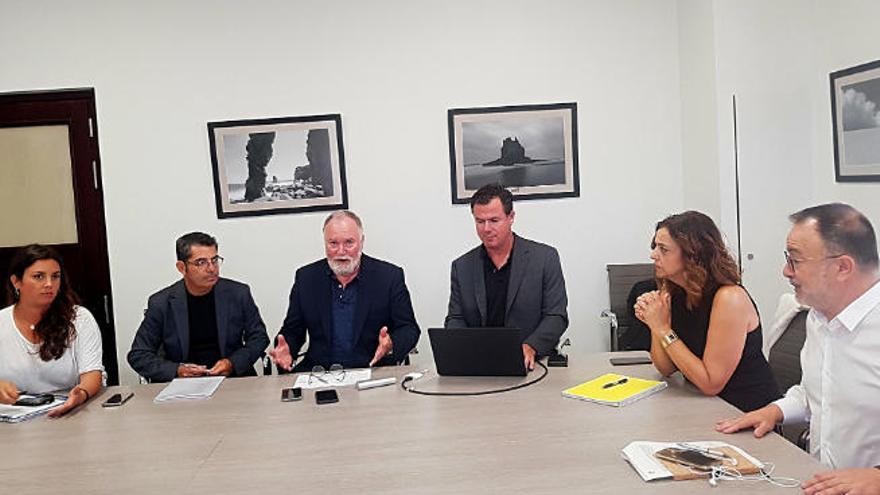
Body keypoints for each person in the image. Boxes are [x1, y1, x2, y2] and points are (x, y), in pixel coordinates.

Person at [715, 203, 880, 493]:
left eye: (796, 261)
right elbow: (816, 391)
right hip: (817, 480)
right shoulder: (818, 317)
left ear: (843, 267)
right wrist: (774, 411)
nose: (786, 271)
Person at [633, 211, 780, 412]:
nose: (653, 255)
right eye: (655, 247)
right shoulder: (676, 291)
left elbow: (711, 383)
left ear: (692, 254)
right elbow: (666, 368)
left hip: (746, 411)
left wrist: (662, 328)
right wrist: (655, 323)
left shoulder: (729, 298)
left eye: (664, 249)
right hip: (705, 406)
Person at [269, 211, 420, 372]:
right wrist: (286, 349)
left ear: (361, 242)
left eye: (349, 243)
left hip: (371, 371)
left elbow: (409, 329)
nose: (341, 251)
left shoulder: (388, 277)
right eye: (333, 243)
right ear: (325, 243)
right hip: (319, 373)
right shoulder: (306, 278)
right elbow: (292, 331)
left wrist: (391, 344)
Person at [444, 183, 568, 370]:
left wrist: (531, 346)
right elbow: (455, 318)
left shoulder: (544, 258)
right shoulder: (461, 267)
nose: (486, 229)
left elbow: (556, 316)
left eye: (494, 220)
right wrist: (464, 348)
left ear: (511, 217)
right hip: (478, 365)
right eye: (479, 221)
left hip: (532, 364)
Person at [128, 232, 269, 382]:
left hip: (232, 379)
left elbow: (259, 337)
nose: (211, 268)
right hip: (183, 385)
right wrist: (177, 370)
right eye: (201, 262)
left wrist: (232, 363)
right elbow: (139, 354)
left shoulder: (238, 293)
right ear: (182, 267)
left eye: (214, 260)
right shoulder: (161, 303)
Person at [0, 244, 103, 417]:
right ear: (16, 281)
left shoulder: (79, 318)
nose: (49, 284)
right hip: (13, 418)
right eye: (38, 277)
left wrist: (81, 394)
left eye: (55, 277)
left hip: (71, 412)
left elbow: (92, 373)